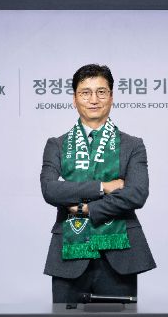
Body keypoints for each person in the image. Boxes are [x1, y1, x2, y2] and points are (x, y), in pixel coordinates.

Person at [40, 64, 156, 303]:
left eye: (101, 92)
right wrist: (103, 187)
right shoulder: (57, 145)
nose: (94, 99)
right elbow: (51, 190)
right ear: (74, 99)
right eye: (85, 93)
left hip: (120, 254)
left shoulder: (133, 145)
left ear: (111, 97)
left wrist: (86, 209)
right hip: (68, 254)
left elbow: (136, 194)